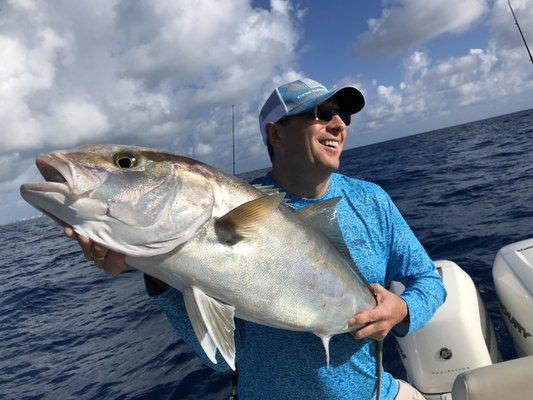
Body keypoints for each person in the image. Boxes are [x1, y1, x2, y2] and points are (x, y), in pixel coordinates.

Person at [65, 78, 446, 399]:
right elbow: (218, 358)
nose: (338, 125)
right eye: (321, 113)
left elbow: (428, 281)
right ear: (275, 132)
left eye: (342, 116)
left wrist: (403, 311)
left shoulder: (371, 201)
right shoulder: (231, 206)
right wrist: (153, 271)